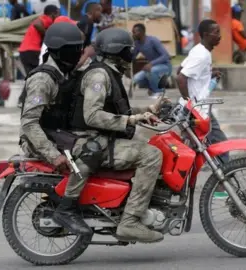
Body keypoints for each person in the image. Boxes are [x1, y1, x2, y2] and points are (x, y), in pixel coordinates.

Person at [66, 27, 170, 243]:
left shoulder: (109, 73)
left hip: (103, 138)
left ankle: (136, 204)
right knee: (152, 156)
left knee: (149, 144)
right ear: (117, 51)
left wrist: (148, 111)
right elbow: (92, 116)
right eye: (127, 50)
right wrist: (130, 120)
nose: (131, 55)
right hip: (92, 142)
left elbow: (118, 110)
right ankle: (130, 221)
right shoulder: (98, 75)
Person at [19, 22, 92, 235]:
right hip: (39, 140)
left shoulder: (64, 71)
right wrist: (53, 156)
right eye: (75, 49)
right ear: (61, 51)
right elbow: (30, 123)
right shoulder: (43, 79)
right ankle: (67, 209)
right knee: (92, 151)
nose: (79, 53)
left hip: (57, 133)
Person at [176, 20, 228, 199]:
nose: (219, 36)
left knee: (189, 150)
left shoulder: (199, 50)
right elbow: (181, 78)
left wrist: (207, 75)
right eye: (216, 32)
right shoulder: (202, 55)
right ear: (206, 35)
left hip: (195, 109)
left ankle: (176, 187)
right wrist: (190, 103)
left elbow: (181, 68)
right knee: (221, 146)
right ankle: (223, 187)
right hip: (198, 111)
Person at [17, 4, 60, 106]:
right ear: (52, 14)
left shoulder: (45, 20)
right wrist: (47, 34)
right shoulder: (46, 19)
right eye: (58, 13)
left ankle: (22, 100)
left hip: (24, 51)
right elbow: (37, 23)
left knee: (32, 76)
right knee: (43, 74)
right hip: (32, 51)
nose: (59, 15)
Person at [131, 23, 172, 98]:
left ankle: (159, 92)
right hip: (152, 67)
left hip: (165, 66)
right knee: (136, 78)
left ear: (142, 32)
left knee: (151, 70)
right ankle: (153, 88)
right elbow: (132, 57)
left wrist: (151, 64)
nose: (133, 34)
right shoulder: (137, 43)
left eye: (134, 32)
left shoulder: (153, 40)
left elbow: (166, 56)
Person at [75, 3, 102, 69]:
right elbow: (80, 45)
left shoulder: (89, 22)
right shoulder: (85, 23)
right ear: (93, 11)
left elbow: (86, 43)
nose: (100, 15)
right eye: (99, 11)